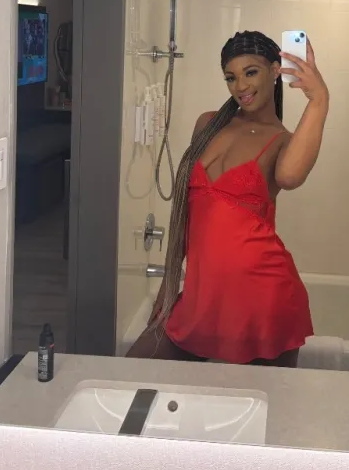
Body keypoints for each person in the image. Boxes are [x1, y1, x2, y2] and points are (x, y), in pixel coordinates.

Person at [127, 30, 329, 367]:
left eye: (251, 72)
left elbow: (290, 177)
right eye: (231, 77)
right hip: (202, 297)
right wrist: (168, 286)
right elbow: (184, 215)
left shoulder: (281, 141)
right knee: (134, 370)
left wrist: (319, 98)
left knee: (265, 399)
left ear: (275, 71)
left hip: (264, 298)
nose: (240, 86)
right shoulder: (208, 124)